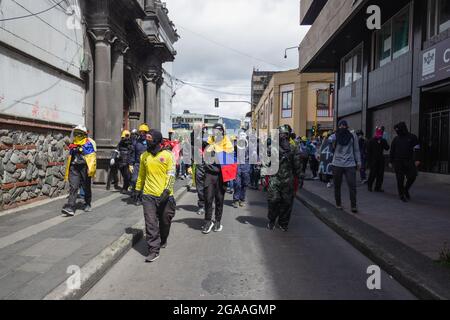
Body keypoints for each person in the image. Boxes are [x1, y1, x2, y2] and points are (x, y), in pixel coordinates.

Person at [135, 129, 176, 263]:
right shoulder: (144, 156)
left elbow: (171, 174)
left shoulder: (168, 155)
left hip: (166, 196)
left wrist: (167, 191)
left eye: (149, 138)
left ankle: (163, 239)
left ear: (157, 140)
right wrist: (138, 189)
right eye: (146, 138)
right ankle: (153, 250)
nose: (147, 140)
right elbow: (141, 174)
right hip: (148, 195)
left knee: (165, 221)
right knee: (151, 223)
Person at [266, 126, 302, 232]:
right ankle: (272, 220)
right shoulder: (272, 147)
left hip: (288, 179)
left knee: (287, 203)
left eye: (285, 134)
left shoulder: (294, 148)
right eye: (281, 134)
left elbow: (297, 164)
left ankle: (283, 223)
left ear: (288, 135)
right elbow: (266, 162)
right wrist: (263, 175)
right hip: (274, 178)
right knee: (273, 200)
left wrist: (299, 177)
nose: (283, 136)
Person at [202, 123, 235, 234]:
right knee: (208, 198)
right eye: (214, 131)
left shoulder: (227, 143)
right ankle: (208, 221)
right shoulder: (208, 141)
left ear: (222, 132)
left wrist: (217, 150)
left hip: (222, 175)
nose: (216, 133)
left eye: (218, 131)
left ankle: (217, 221)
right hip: (209, 174)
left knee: (219, 199)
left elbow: (229, 158)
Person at [62, 125, 97, 216]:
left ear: (84, 134)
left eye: (79, 133)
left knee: (86, 186)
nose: (77, 135)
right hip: (74, 167)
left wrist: (80, 149)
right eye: (76, 133)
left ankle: (88, 203)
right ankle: (70, 206)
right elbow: (71, 155)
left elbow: (92, 157)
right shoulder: (73, 143)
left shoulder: (89, 143)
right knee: (73, 187)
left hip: (84, 168)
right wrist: (72, 147)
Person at [330, 120, 361, 213]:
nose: (342, 127)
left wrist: (359, 161)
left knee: (352, 185)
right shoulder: (335, 135)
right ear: (338, 127)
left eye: (344, 125)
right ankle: (338, 203)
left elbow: (356, 149)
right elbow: (328, 141)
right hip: (337, 164)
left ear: (347, 126)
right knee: (337, 185)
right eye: (340, 126)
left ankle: (353, 206)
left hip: (350, 164)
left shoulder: (353, 136)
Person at [389, 122, 421, 202]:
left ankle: (406, 189)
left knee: (412, 176)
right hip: (398, 162)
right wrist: (390, 161)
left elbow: (417, 149)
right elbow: (392, 150)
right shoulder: (396, 139)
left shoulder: (412, 137)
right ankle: (401, 194)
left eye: (398, 130)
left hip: (409, 161)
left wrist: (417, 159)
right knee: (400, 179)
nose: (397, 131)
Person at [131, 123, 150, 206]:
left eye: (144, 132)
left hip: (147, 164)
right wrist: (131, 164)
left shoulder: (150, 142)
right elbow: (133, 153)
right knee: (135, 180)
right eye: (141, 132)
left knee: (145, 182)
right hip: (138, 164)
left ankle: (141, 197)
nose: (142, 134)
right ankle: (137, 196)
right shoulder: (136, 142)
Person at [367, 127, 390, 192]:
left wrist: (384, 141)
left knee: (380, 174)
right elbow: (368, 152)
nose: (380, 135)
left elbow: (387, 148)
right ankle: (370, 186)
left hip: (380, 160)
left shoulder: (382, 140)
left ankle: (377, 187)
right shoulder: (371, 141)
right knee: (373, 174)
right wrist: (369, 161)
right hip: (374, 160)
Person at [233, 131, 251, 208]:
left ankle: (242, 199)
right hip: (237, 165)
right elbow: (232, 154)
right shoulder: (235, 146)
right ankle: (236, 200)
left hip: (246, 165)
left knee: (245, 183)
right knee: (237, 183)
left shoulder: (249, 146)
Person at [116, 130, 134, 194]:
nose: (124, 139)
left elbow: (132, 151)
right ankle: (126, 187)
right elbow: (117, 149)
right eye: (123, 137)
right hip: (121, 162)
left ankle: (125, 187)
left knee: (128, 176)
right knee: (124, 176)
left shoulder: (131, 143)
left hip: (128, 163)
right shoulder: (120, 143)